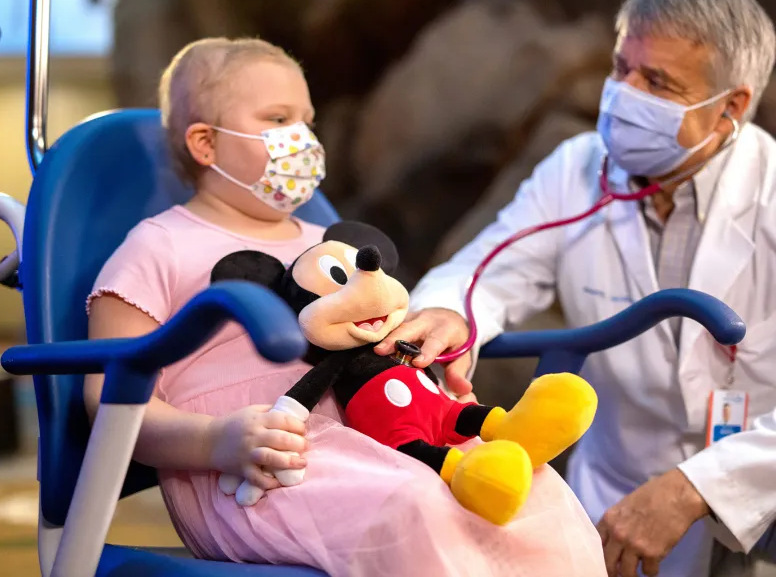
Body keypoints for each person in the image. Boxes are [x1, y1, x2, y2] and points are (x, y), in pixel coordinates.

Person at [83, 37, 607, 576]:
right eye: (278, 118)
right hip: (261, 469)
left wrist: (423, 371)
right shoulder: (159, 247)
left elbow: (378, 344)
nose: (303, 139)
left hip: (387, 438)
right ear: (205, 143)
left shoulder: (333, 244)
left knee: (532, 486)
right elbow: (111, 401)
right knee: (415, 507)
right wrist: (217, 442)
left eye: (307, 122)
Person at [378, 0, 776, 576]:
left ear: (732, 106)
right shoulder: (579, 168)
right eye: (622, 68)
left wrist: (698, 487)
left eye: (657, 82)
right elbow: (490, 268)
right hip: (618, 478)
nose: (622, 94)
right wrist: (451, 312)